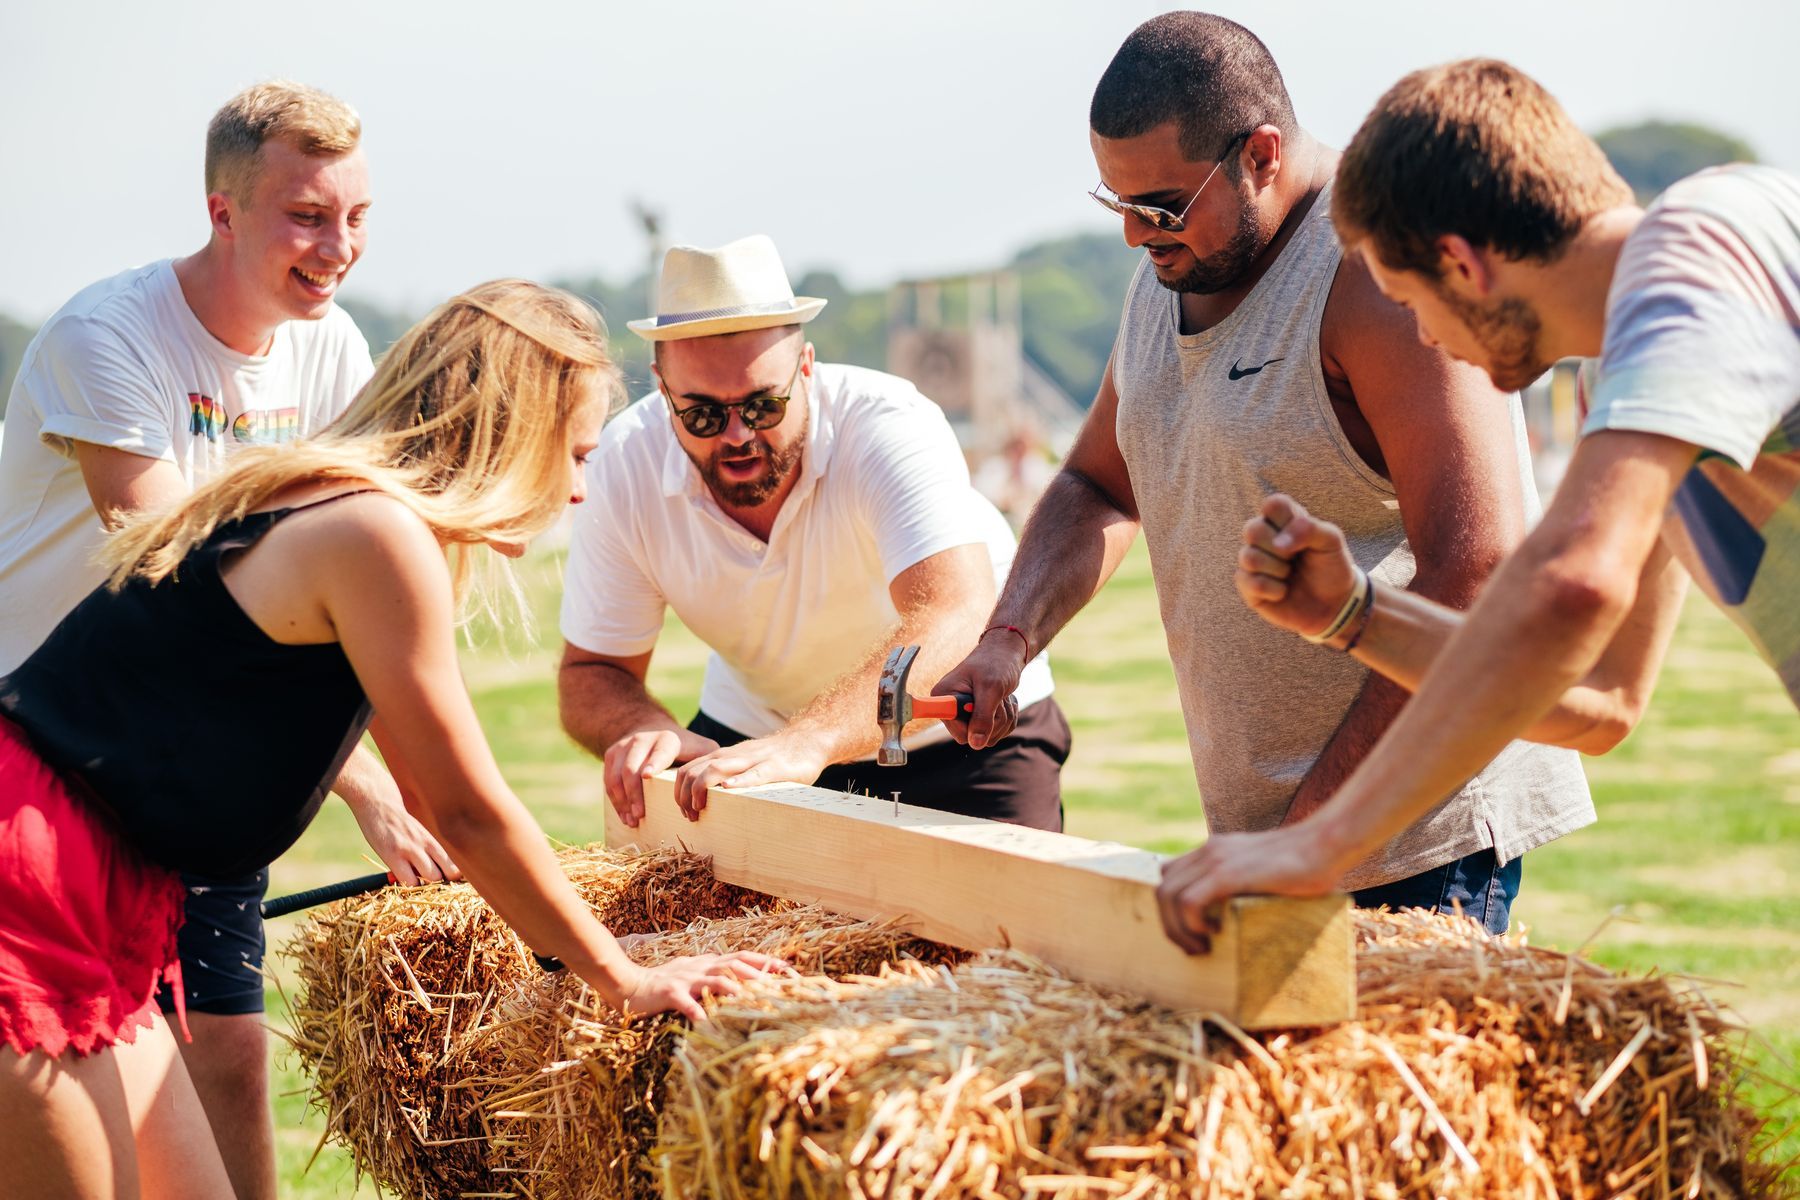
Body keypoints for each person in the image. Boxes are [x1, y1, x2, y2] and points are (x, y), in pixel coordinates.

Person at [0, 279, 781, 1199]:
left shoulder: (346, 508)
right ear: (510, 430)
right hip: (30, 874)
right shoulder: (374, 532)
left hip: (107, 886)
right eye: (572, 453)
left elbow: (432, 800)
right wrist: (621, 975)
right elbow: (469, 810)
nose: (576, 488)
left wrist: (556, 937)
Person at [936, 12, 1593, 940]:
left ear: (1262, 154)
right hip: (1281, 845)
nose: (1133, 235)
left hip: (1416, 846)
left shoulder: (1374, 273)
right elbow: (1097, 484)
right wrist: (1009, 637)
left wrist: (1310, 843)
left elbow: (1475, 568)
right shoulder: (1173, 264)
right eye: (1114, 203)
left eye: (1159, 206)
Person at [1159, 58, 1798, 931]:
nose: (1421, 336)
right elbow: (1605, 700)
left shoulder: (1705, 241)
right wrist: (1358, 616)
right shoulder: (1628, 382)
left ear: (1461, 264)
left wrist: (1318, 844)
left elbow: (1573, 586)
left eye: (1409, 300)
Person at [0, 80, 453, 1198]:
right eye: (307, 215)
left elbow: (337, 590)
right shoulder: (107, 337)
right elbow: (188, 595)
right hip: (49, 763)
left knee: (235, 1053)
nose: (337, 245)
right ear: (222, 212)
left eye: (355, 216)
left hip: (181, 762)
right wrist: (368, 790)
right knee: (74, 1115)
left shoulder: (331, 349)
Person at [558, 235, 1067, 831]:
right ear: (661, 387)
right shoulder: (624, 460)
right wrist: (647, 731)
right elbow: (592, 673)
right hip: (758, 737)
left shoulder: (888, 424)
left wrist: (812, 740)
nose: (737, 437)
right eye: (701, 414)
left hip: (959, 738)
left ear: (805, 369)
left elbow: (955, 613)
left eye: (762, 406)